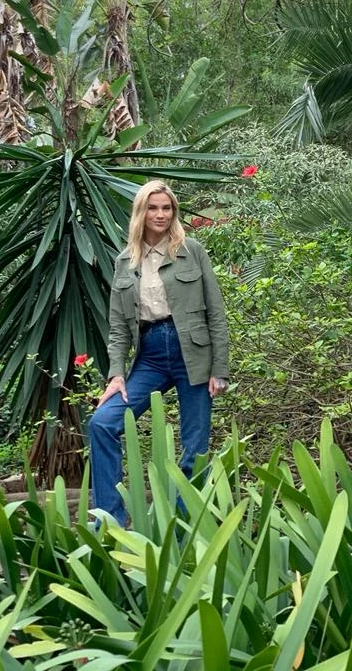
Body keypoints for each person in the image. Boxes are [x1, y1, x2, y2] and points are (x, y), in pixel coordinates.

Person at [88, 179, 229, 525]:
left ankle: (184, 527)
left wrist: (220, 368)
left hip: (193, 353)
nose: (161, 214)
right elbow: (119, 327)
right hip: (149, 354)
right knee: (102, 424)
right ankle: (110, 519)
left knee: (195, 444)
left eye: (167, 208)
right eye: (153, 207)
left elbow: (216, 311)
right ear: (140, 212)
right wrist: (116, 374)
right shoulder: (124, 262)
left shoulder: (191, 250)